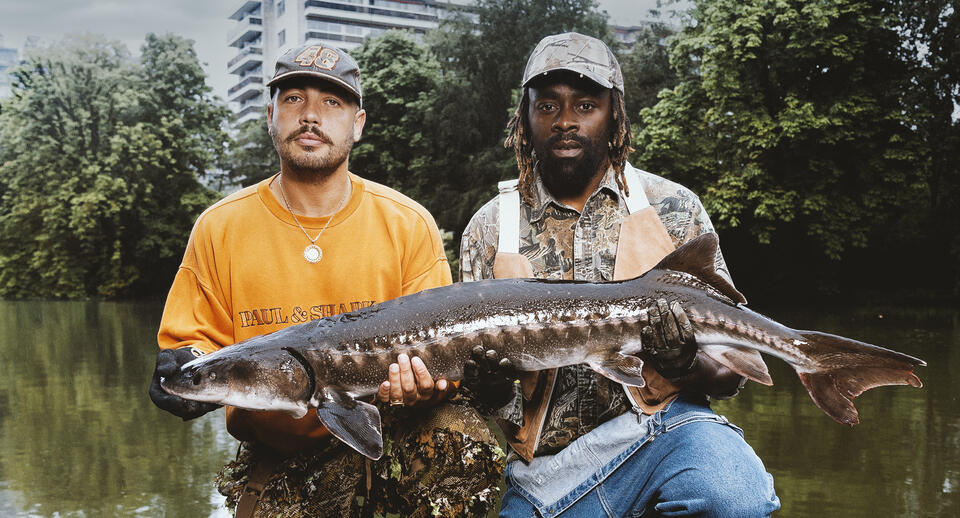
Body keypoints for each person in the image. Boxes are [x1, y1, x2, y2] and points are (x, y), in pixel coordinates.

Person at [148, 43, 502, 518]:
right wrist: (183, 367)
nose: (310, 116)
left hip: (392, 435)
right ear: (270, 115)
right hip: (278, 457)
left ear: (358, 124)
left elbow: (445, 347)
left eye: (331, 102)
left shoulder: (408, 222)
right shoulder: (219, 226)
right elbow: (191, 345)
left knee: (461, 435)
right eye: (294, 98)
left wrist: (433, 384)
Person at [459, 33, 781, 517]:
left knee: (732, 496)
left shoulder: (675, 208)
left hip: (667, 436)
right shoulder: (487, 228)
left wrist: (682, 363)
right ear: (524, 120)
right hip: (546, 475)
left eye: (586, 105)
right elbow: (480, 400)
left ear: (615, 116)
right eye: (546, 106)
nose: (565, 121)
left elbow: (730, 374)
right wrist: (490, 387)